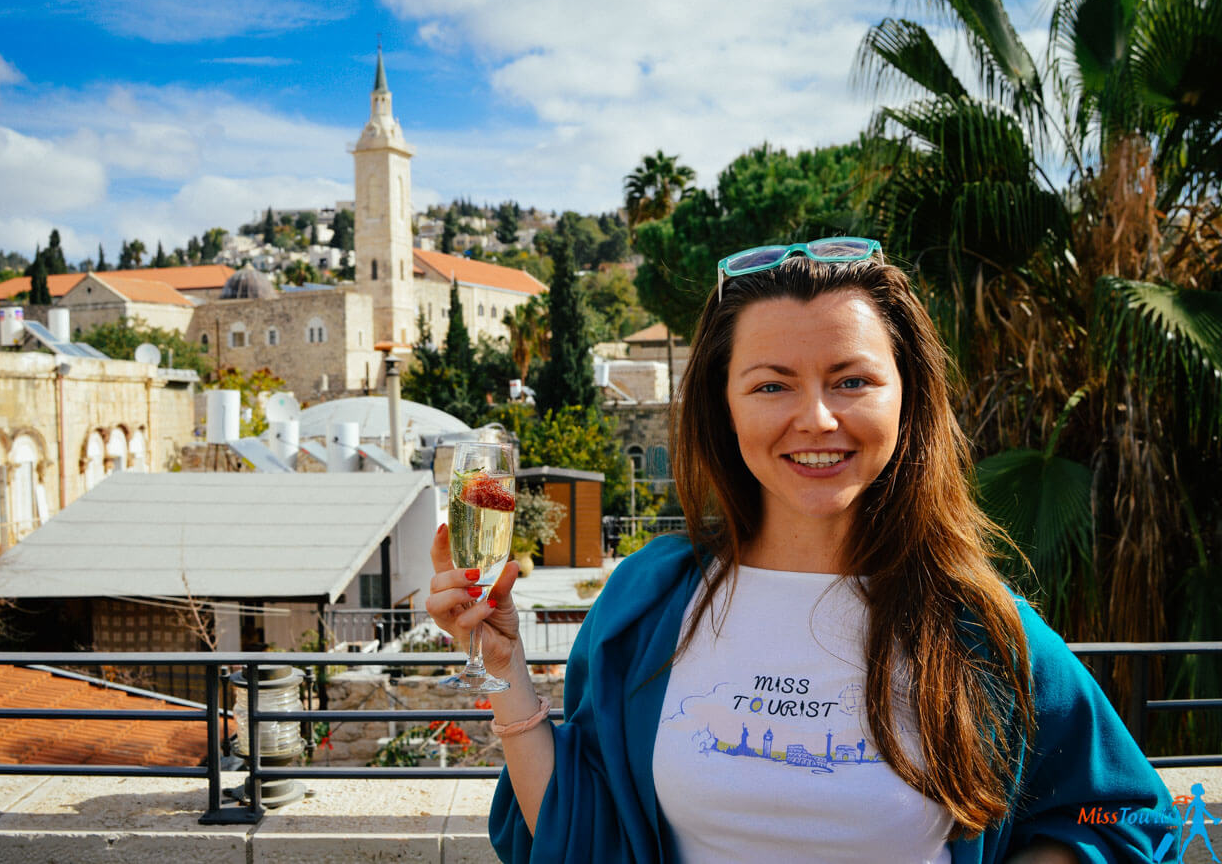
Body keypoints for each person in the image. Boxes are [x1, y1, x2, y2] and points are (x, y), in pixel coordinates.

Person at [425, 238, 1174, 863]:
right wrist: (505, 671)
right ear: (724, 405)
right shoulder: (650, 598)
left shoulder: (972, 623)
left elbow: (1124, 821)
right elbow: (575, 831)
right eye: (771, 386)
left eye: (852, 380)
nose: (816, 419)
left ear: (907, 397)